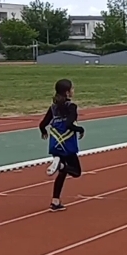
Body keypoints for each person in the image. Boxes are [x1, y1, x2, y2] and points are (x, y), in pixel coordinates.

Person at [38, 79, 86, 212]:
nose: (73, 91)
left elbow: (42, 124)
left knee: (62, 174)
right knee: (76, 172)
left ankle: (55, 201)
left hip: (55, 143)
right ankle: (60, 165)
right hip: (67, 143)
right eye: (72, 89)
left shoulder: (53, 107)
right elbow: (69, 124)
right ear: (67, 92)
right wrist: (80, 129)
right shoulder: (72, 107)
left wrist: (43, 132)